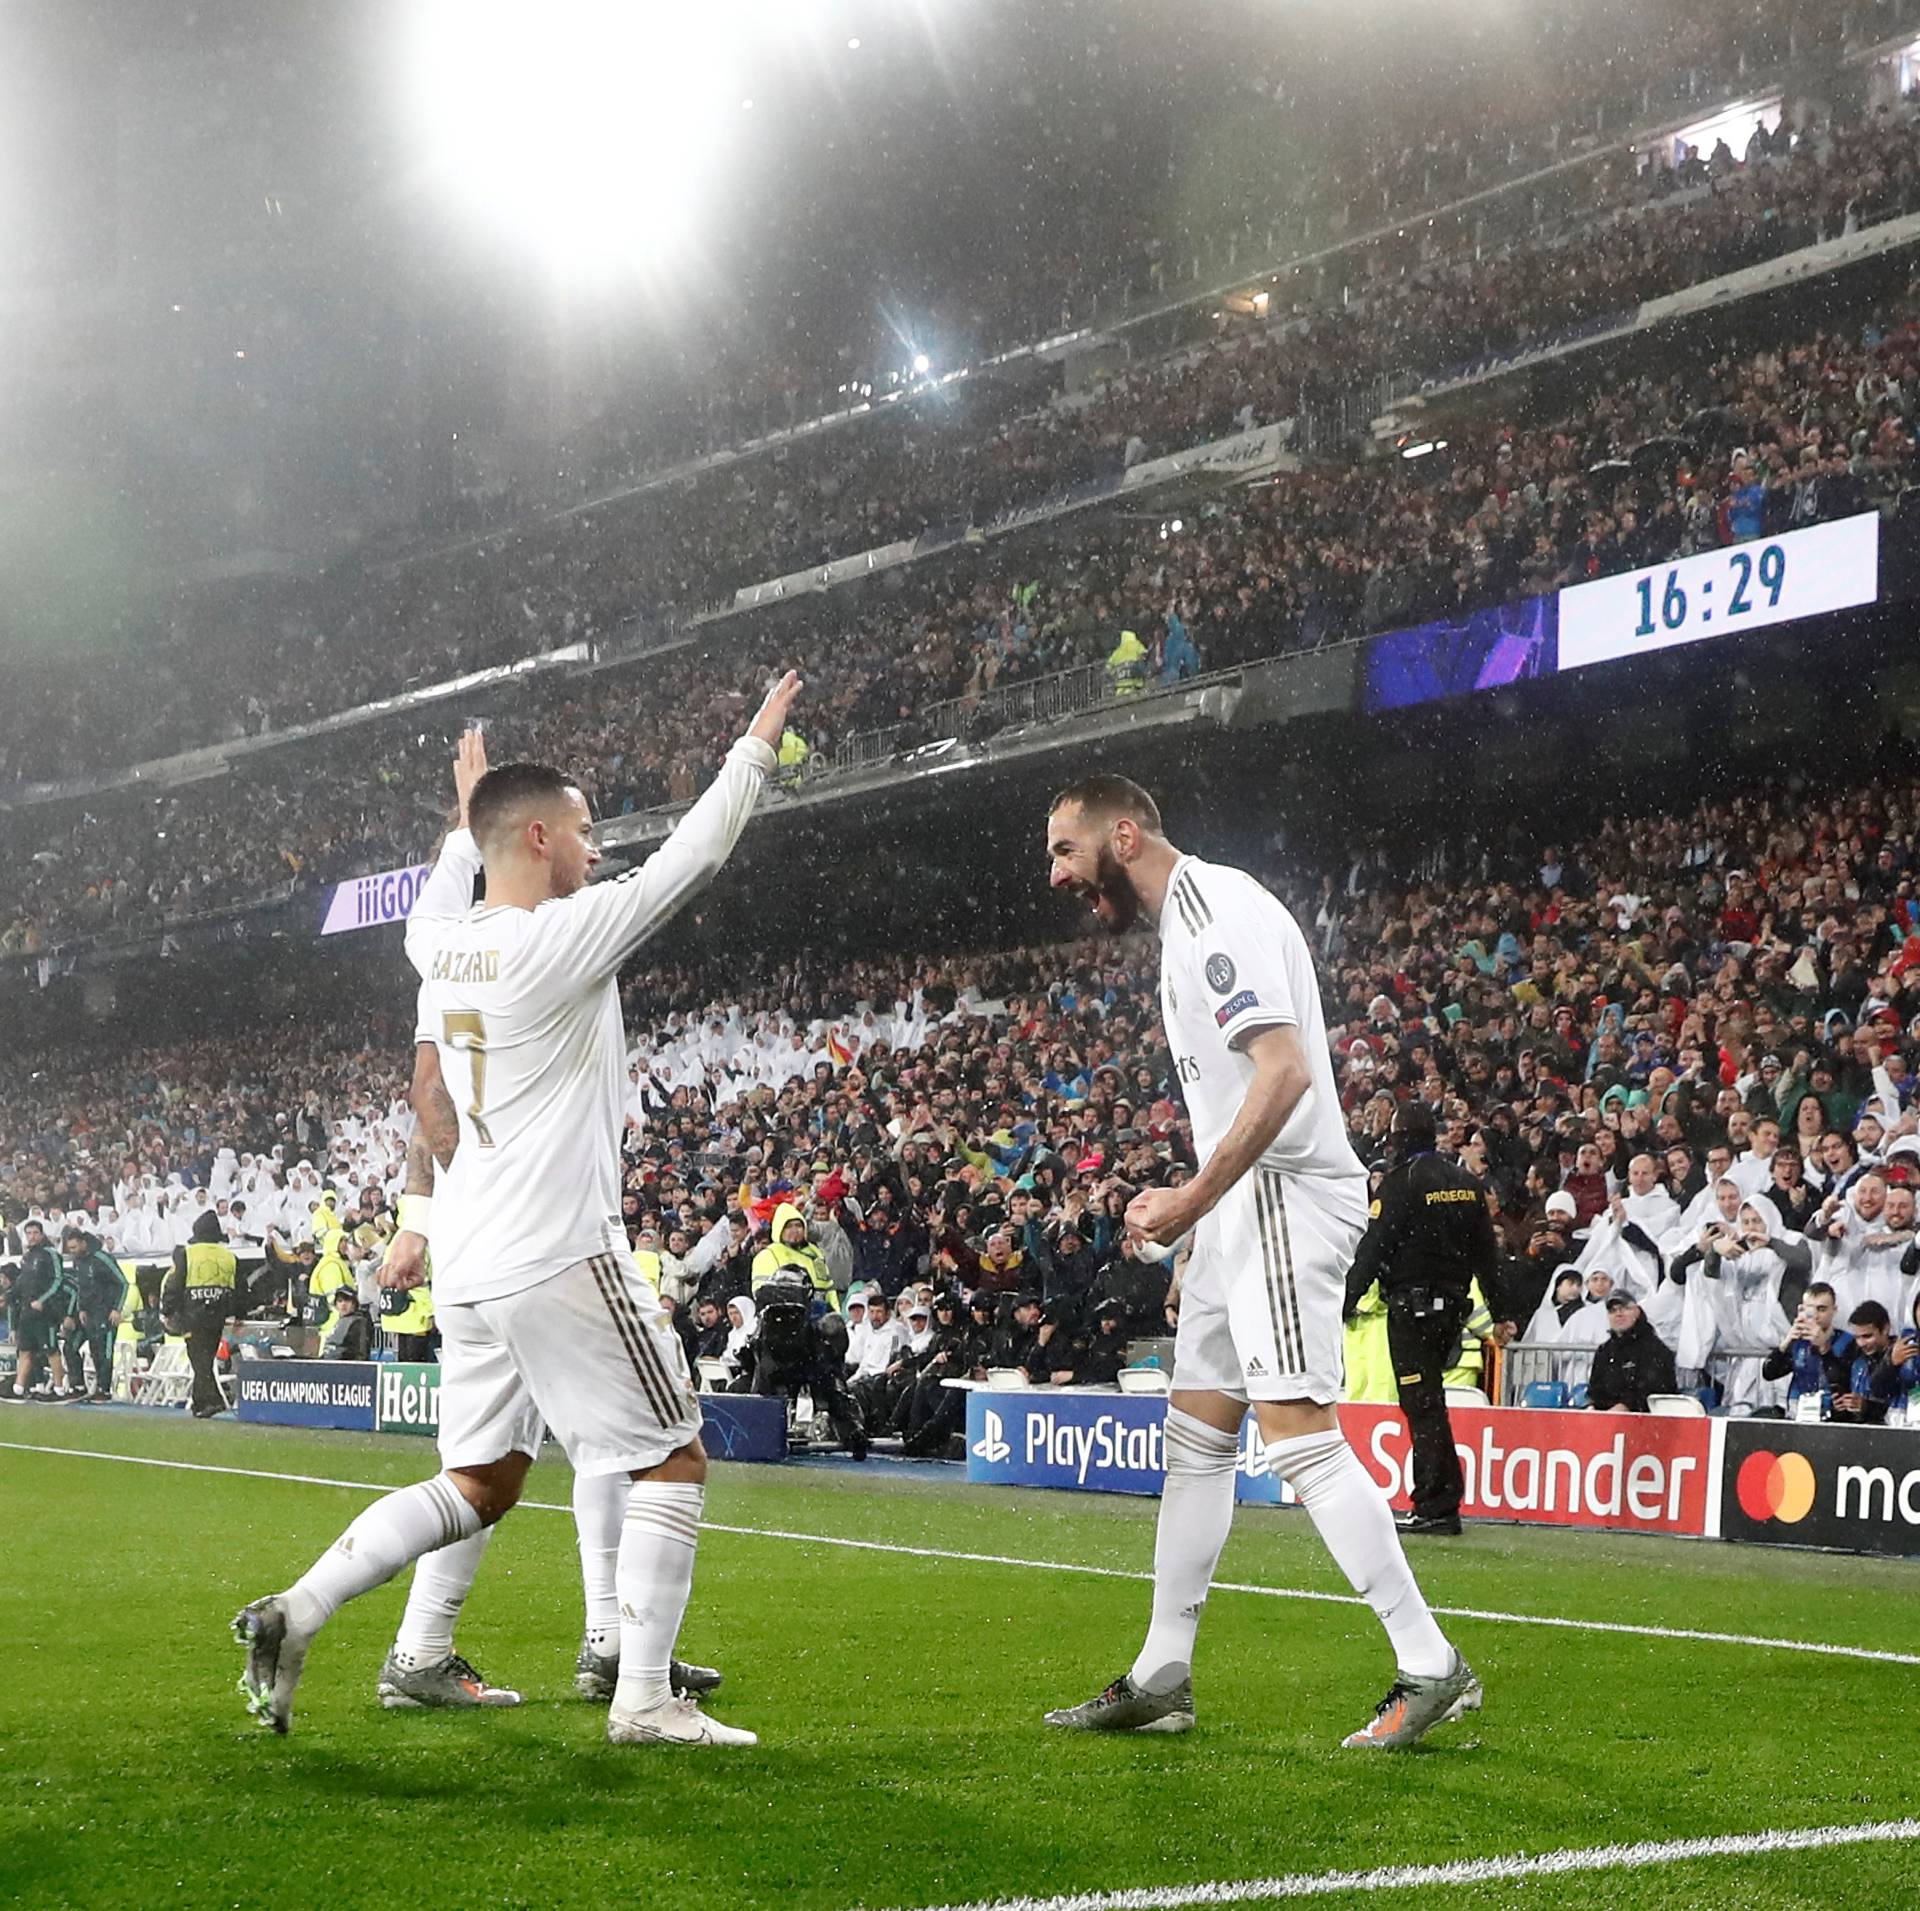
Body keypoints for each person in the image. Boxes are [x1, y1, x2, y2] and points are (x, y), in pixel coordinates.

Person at [233, 672, 800, 1747]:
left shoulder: (436, 944)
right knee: (672, 1453)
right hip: (557, 1249)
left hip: (476, 1260)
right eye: (583, 832)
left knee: (483, 1480)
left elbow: (459, 873)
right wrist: (756, 747)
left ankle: (297, 1610)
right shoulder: (561, 938)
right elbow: (698, 855)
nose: (596, 850)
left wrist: (466, 815)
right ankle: (641, 1698)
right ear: (539, 837)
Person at [1041, 774, 1476, 1748]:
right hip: (1242, 1213)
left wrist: (1195, 1199)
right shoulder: (1182, 924)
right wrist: (1207, 1228)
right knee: (1195, 1434)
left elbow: (1282, 1074)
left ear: (1124, 835)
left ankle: (1430, 1662)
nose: (1057, 873)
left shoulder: (1214, 912)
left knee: (1296, 1435)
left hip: (1282, 1194)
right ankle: (1163, 1671)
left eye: (1065, 850)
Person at [1343, 1103, 1497, 1536]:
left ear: (1399, 1138)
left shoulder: (1400, 1184)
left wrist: (1347, 1299)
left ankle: (1436, 1503)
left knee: (1423, 1407)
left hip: (1412, 1309)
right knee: (1431, 1405)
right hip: (1452, 1307)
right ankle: (1440, 1499)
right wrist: (1503, 1310)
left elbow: (1372, 1250)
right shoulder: (1467, 1184)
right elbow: (1487, 1254)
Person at [162, 1210, 243, 1418]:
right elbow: (240, 1289)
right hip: (217, 1317)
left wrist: (168, 1311)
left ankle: (211, 1401)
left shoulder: (186, 1255)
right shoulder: (229, 1257)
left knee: (199, 1360)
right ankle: (200, 1404)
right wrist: (238, 1313)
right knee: (205, 1359)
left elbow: (174, 1285)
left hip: (192, 1316)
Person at [61, 1226, 129, 1402]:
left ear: (83, 1243)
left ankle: (104, 1390)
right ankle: (79, 1386)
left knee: (102, 1352)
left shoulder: (102, 1258)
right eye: (70, 1249)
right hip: (87, 1314)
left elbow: (122, 1283)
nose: (72, 1251)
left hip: (105, 1313)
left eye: (74, 1247)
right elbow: (81, 1287)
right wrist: (81, 1308)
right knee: (71, 1346)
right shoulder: (78, 1261)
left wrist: (117, 1308)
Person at [1586, 1293, 1677, 1413]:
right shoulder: (1604, 1350)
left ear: (1637, 1312)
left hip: (1646, 1419)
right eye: (1613, 1311)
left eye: (1624, 1308)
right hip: (1608, 1419)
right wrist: (1594, 1406)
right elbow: (1596, 1389)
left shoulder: (1655, 1348)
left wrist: (1626, 1406)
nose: (1618, 1314)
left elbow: (1655, 1389)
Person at [5, 1220, 65, 1401]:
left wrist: (43, 1300)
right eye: (28, 1233)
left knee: (51, 1350)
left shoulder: (50, 1253)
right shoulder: (27, 1257)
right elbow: (22, 1283)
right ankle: (18, 1389)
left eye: (34, 1233)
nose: (31, 1237)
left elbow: (58, 1280)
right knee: (25, 1350)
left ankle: (59, 1390)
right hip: (27, 1312)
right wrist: (7, 1296)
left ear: (41, 1234)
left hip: (45, 1313)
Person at [320, 1287, 373, 1361]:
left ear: (354, 1303)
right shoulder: (339, 1321)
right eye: (340, 1301)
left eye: (347, 1300)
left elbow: (361, 1354)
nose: (343, 1304)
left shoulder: (359, 1322)